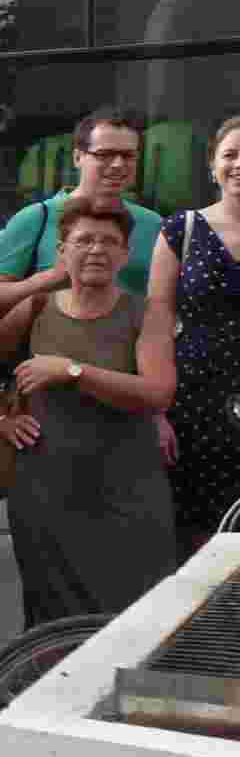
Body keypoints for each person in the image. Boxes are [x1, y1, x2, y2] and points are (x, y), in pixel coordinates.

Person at [0, 197, 176, 625]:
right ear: (62, 252)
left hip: (127, 487)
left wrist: (73, 371)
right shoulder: (36, 307)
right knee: (49, 615)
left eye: (108, 241)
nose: (96, 250)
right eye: (84, 240)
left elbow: (158, 393)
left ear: (124, 254)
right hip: (46, 489)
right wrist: (3, 420)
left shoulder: (145, 314)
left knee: (135, 615)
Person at [148, 114, 240, 558]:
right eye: (231, 155)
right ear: (212, 166)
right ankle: (202, 627)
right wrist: (157, 411)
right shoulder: (180, 230)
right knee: (193, 538)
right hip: (192, 403)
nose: (239, 164)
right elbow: (157, 321)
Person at [0, 108, 163, 317]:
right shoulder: (35, 218)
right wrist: (50, 279)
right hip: (50, 347)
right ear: (77, 157)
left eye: (128, 155)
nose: (118, 164)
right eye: (104, 154)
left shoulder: (153, 224)